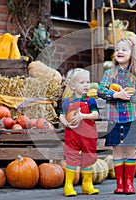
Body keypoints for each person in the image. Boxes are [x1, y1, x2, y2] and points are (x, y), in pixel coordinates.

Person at [97, 38, 136, 195]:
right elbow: (101, 91)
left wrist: (129, 97)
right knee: (117, 150)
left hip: (132, 119)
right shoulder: (109, 73)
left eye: (124, 50)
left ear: (132, 54)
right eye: (117, 49)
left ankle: (129, 184)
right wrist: (116, 94)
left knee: (130, 150)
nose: (119, 52)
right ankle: (119, 184)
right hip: (115, 118)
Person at [59, 68, 99, 197]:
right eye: (82, 82)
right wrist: (66, 123)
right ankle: (68, 185)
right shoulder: (68, 101)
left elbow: (95, 115)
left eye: (88, 82)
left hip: (88, 135)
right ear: (72, 86)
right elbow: (61, 115)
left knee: (88, 158)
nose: (86, 85)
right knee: (71, 158)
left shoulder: (90, 100)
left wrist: (83, 116)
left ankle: (87, 184)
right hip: (73, 134)